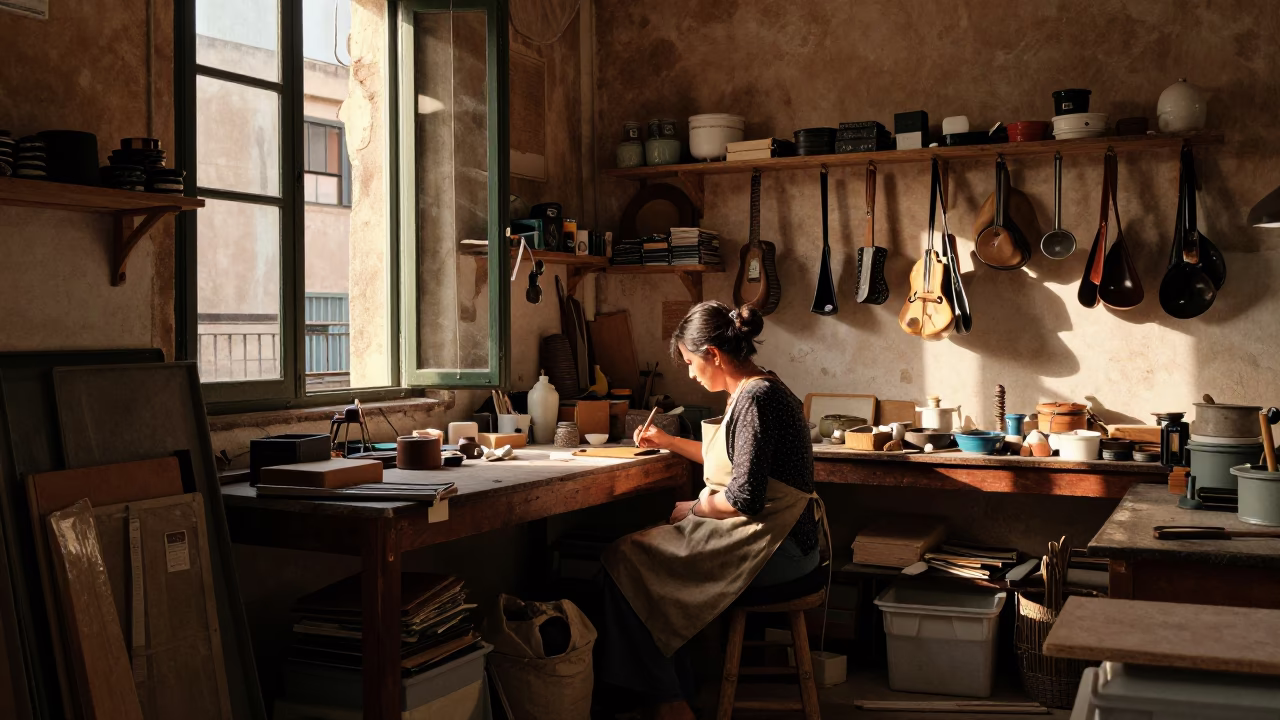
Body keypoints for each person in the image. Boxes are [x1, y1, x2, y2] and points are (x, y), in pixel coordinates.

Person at [596, 301, 824, 720]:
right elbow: (735, 463)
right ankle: (675, 689)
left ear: (714, 355)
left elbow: (743, 498)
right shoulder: (752, 389)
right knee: (638, 557)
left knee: (624, 560)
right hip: (770, 537)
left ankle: (670, 702)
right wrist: (669, 443)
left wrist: (697, 507)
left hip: (781, 550)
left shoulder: (758, 399)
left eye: (688, 362)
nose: (689, 373)